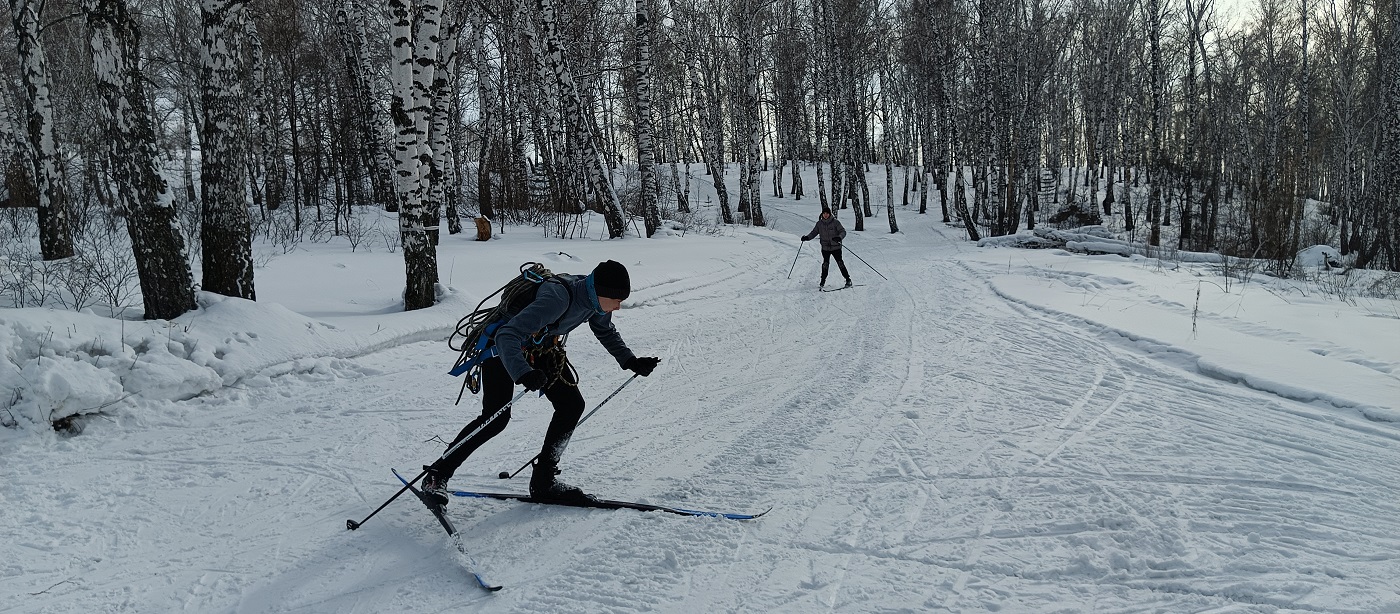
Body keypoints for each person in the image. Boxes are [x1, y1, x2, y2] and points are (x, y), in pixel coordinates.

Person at [422, 260, 660, 506]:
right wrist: (523, 372)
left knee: (571, 405)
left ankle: (544, 482)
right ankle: (437, 475)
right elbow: (507, 334)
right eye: (616, 301)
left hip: (540, 347)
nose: (618, 307)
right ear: (599, 292)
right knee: (495, 418)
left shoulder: (597, 302)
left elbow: (605, 330)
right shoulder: (558, 298)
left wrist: (630, 360)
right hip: (502, 349)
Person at [801, 208, 852, 288]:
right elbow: (814, 232)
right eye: (824, 213)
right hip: (825, 248)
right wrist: (807, 238)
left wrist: (839, 237)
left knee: (840, 263)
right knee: (825, 264)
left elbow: (843, 231)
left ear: (830, 214)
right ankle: (822, 281)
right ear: (822, 214)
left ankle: (848, 279)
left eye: (827, 213)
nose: (825, 215)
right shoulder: (819, 224)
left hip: (836, 247)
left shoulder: (835, 222)